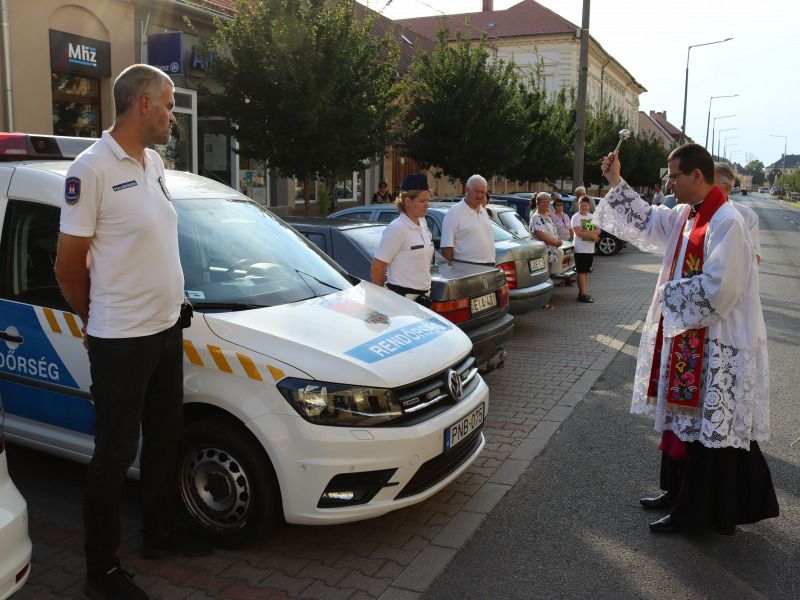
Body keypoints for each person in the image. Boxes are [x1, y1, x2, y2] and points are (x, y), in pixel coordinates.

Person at [55, 64, 213, 600]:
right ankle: (100, 572)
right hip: (120, 339)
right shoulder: (91, 168)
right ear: (143, 104)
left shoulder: (154, 163)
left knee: (165, 436)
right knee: (114, 454)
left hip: (167, 328)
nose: (174, 116)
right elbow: (67, 266)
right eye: (170, 105)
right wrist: (94, 320)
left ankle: (159, 534)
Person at [594, 143, 778, 536]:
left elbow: (720, 289)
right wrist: (615, 180)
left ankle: (693, 512)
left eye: (673, 176)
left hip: (716, 343)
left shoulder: (727, 221)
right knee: (682, 423)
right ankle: (676, 493)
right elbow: (644, 220)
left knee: (707, 435)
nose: (668, 184)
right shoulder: (684, 215)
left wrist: (668, 296)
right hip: (687, 336)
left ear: (696, 175)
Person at [370, 173, 434, 303]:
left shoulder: (423, 223)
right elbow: (377, 268)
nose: (427, 205)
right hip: (402, 300)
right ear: (408, 201)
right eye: (422, 201)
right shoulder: (397, 229)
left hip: (423, 299)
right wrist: (381, 300)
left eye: (428, 200)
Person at [440, 174, 495, 266]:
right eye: (476, 191)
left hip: (488, 268)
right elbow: (446, 246)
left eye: (482, 192)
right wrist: (451, 270)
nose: (480, 195)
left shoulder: (483, 211)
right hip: (466, 270)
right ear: (467, 190)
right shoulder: (455, 212)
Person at [715, 162, 761, 263]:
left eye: (710, 185)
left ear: (727, 188)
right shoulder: (690, 212)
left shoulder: (746, 215)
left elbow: (755, 258)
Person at [529, 191, 560, 309]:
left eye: (548, 202)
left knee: (547, 276)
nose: (546, 204)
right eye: (543, 202)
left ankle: (544, 301)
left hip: (550, 252)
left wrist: (557, 239)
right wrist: (556, 242)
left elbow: (552, 230)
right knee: (543, 278)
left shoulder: (547, 215)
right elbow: (541, 235)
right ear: (537, 203)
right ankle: (542, 303)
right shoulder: (537, 217)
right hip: (542, 253)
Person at [571, 197, 600, 302]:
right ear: (578, 205)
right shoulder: (576, 217)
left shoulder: (592, 217)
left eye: (586, 205)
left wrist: (587, 232)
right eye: (582, 205)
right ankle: (582, 294)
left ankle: (583, 292)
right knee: (581, 272)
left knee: (586, 272)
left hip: (590, 249)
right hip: (580, 249)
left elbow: (598, 231)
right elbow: (579, 233)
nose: (584, 207)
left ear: (589, 206)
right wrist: (592, 235)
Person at [551, 197, 574, 287]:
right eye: (558, 205)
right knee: (561, 261)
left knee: (569, 261)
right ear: (554, 207)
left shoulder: (566, 216)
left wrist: (573, 238)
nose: (560, 206)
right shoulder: (553, 216)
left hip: (568, 240)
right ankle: (560, 281)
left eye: (561, 205)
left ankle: (568, 279)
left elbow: (570, 228)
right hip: (559, 242)